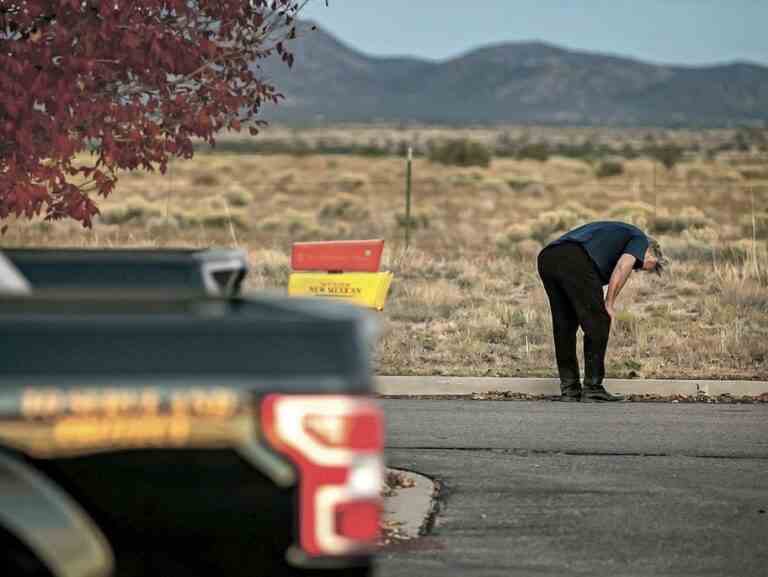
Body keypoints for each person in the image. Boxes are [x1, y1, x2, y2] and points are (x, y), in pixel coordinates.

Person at [537, 221, 667, 402]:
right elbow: (623, 266)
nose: (637, 268)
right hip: (575, 258)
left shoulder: (613, 240)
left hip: (548, 257)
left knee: (565, 326)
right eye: (643, 265)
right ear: (650, 251)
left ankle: (570, 389)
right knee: (599, 321)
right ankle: (592, 388)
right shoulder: (640, 239)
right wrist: (609, 303)